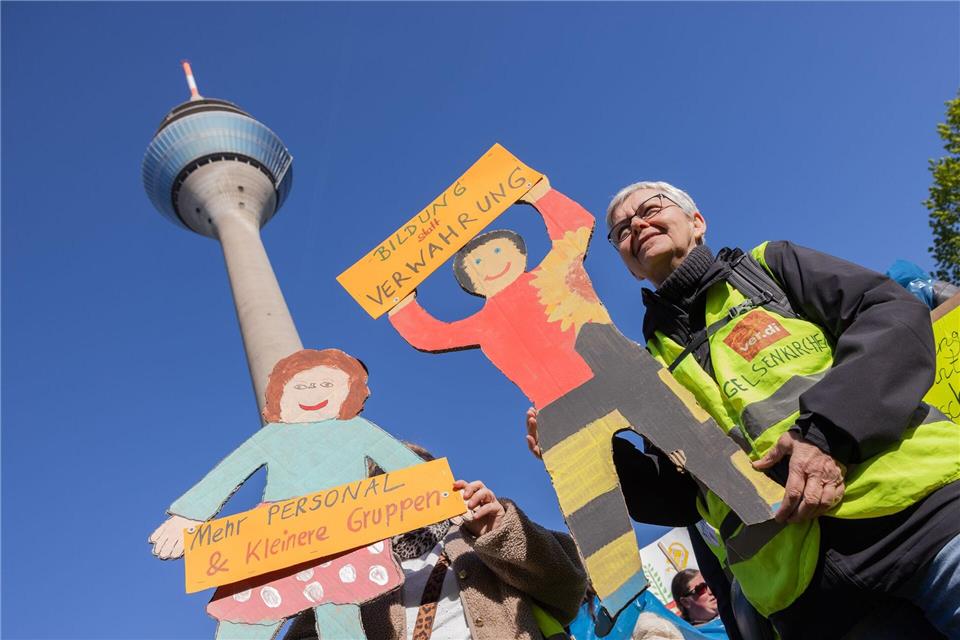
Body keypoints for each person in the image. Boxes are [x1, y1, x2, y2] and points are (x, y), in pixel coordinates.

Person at [390, 179, 778, 627]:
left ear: (518, 253)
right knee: (590, 503)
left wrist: (534, 192)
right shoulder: (485, 322)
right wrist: (400, 299)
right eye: (477, 264)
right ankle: (622, 596)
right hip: (559, 412)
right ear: (470, 283)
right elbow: (431, 334)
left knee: (698, 441)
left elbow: (573, 227)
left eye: (496, 253)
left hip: (622, 375)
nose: (489, 265)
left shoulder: (558, 270)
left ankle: (761, 500)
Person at [592, 180, 959, 638]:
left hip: (926, 522)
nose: (638, 225)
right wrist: (593, 453)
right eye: (622, 230)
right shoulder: (648, 365)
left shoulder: (771, 265)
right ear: (629, 267)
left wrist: (826, 432)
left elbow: (892, 315)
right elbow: (681, 494)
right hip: (812, 601)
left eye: (650, 209)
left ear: (697, 222)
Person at [149, 348, 425, 639]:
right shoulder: (273, 437)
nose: (312, 394)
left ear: (350, 391)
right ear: (281, 394)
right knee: (246, 612)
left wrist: (448, 497)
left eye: (326, 385)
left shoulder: (359, 431)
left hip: (345, 533)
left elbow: (413, 470)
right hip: (277, 538)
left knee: (339, 613)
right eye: (302, 386)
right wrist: (188, 516)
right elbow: (229, 472)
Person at [284, 443, 588, 640]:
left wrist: (497, 529)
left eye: (415, 473)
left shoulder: (477, 535)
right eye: (382, 481)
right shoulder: (353, 573)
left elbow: (567, 585)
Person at [670, 570, 726, 637]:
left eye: (709, 583)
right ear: (686, 602)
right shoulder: (693, 636)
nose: (710, 591)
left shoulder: (732, 609)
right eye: (701, 588)